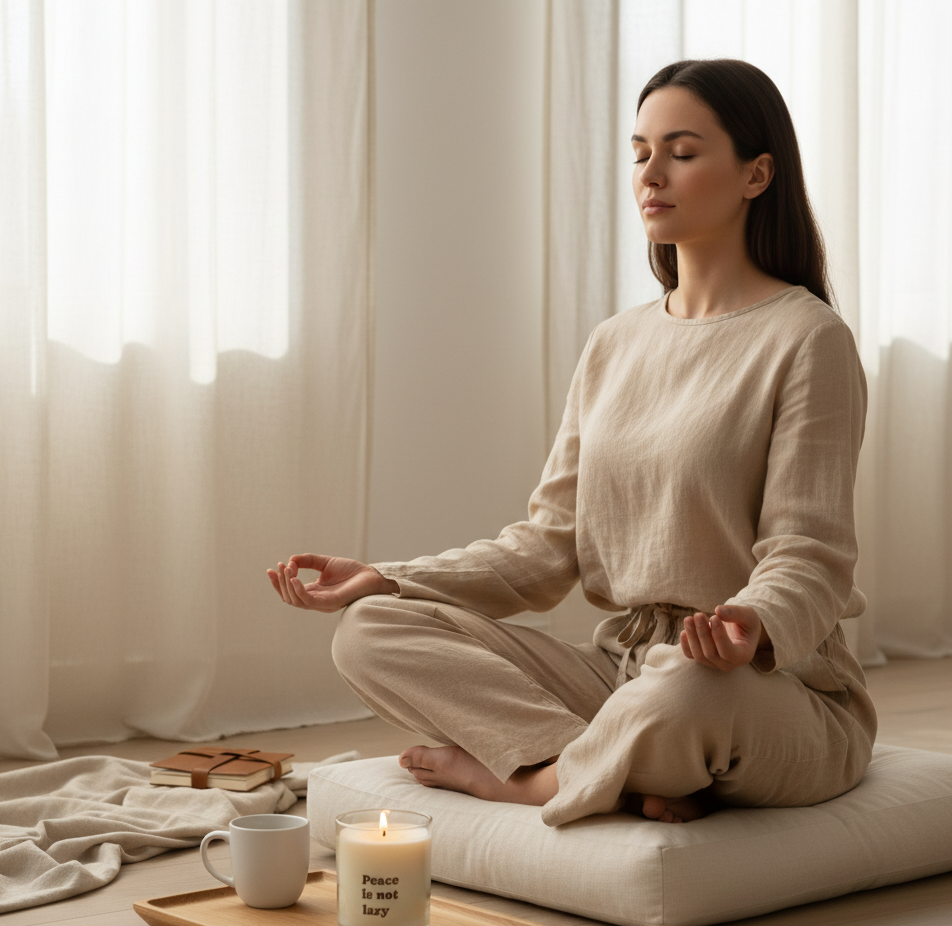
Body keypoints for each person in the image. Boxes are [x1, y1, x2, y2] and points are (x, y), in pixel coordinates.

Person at [267, 58, 877, 827]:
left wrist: (750, 625)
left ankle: (534, 780)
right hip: (620, 676)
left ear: (757, 174)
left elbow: (809, 554)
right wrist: (386, 579)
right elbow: (548, 548)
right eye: (639, 152)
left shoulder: (808, 338)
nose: (651, 174)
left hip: (761, 686)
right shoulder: (614, 343)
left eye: (682, 153)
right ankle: (618, 767)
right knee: (367, 635)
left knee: (685, 693)